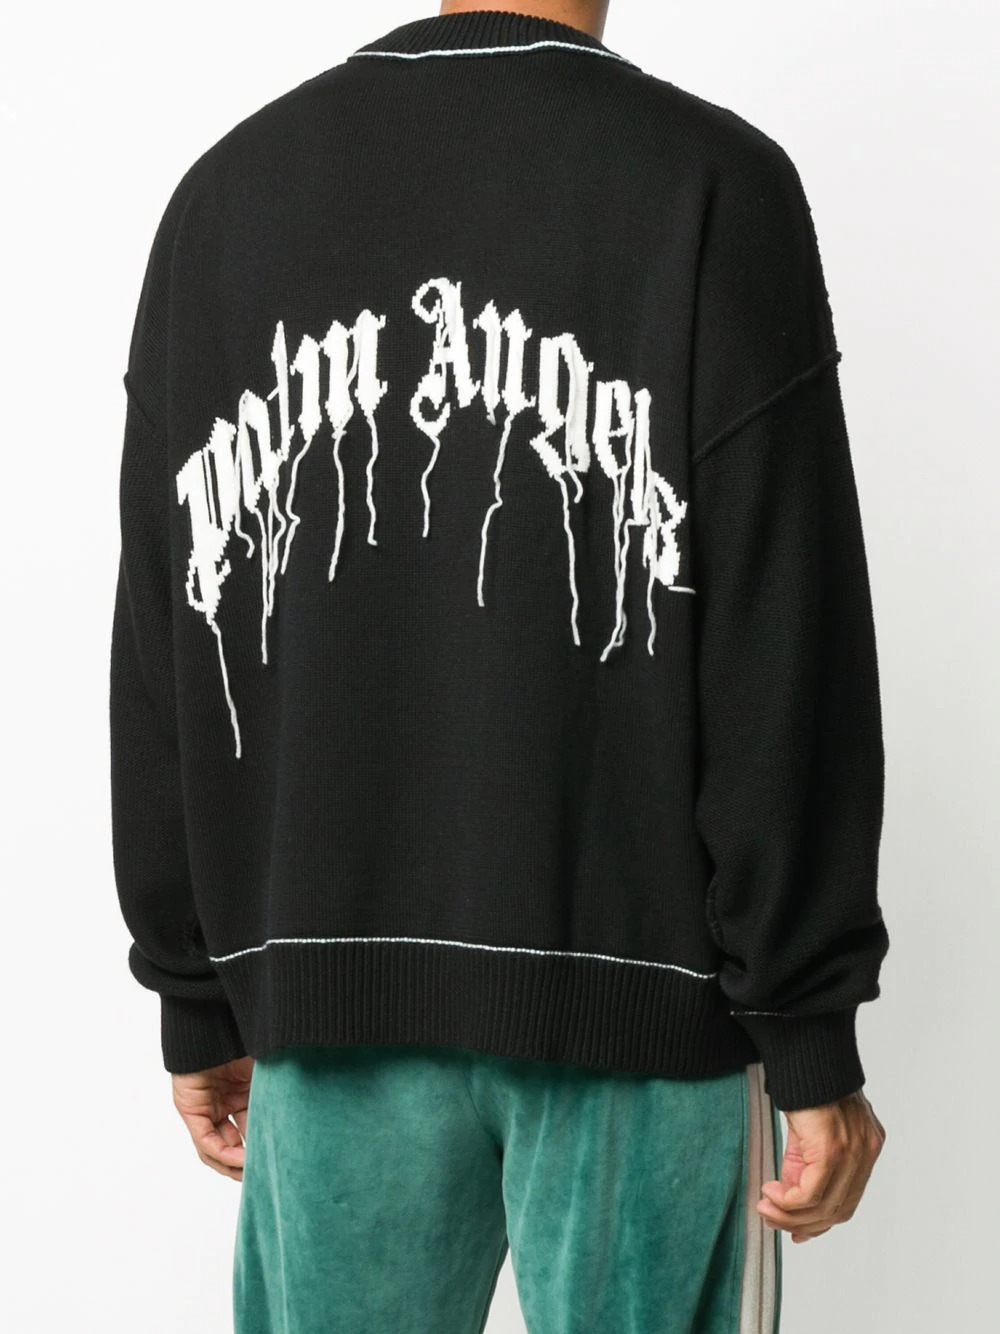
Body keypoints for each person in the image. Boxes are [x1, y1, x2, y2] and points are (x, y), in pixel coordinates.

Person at [108, 1, 890, 1329]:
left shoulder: (223, 201)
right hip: (639, 991)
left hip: (326, 990)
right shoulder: (710, 185)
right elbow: (781, 638)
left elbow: (162, 637)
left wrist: (196, 984)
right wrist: (806, 1017)